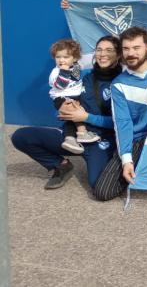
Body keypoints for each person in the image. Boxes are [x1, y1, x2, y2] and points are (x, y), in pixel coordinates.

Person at [12, 36, 123, 197]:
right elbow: (60, 93)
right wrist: (63, 107)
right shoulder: (82, 77)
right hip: (73, 136)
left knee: (100, 188)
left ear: (119, 55)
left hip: (100, 140)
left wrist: (86, 118)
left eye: (109, 50)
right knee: (21, 137)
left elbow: (123, 123)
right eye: (99, 49)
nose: (102, 54)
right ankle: (61, 165)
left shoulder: (123, 83)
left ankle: (115, 162)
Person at [100, 27, 147, 194]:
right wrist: (127, 161)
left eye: (136, 48)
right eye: (126, 48)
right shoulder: (118, 84)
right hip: (139, 139)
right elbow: (123, 124)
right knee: (103, 191)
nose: (130, 53)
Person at [48, 39, 99, 153]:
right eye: (58, 57)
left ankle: (70, 139)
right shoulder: (56, 72)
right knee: (75, 113)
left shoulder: (75, 66)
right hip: (62, 98)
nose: (61, 60)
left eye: (66, 57)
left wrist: (74, 66)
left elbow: (76, 77)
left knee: (73, 119)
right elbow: (60, 86)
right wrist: (64, 71)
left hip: (75, 96)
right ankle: (82, 133)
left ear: (74, 58)